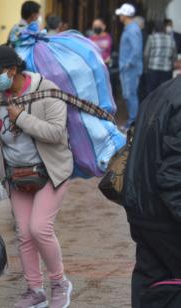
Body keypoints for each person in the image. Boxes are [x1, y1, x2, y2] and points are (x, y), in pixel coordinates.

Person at [0, 45, 74, 308]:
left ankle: (59, 283)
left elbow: (56, 133)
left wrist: (21, 119)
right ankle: (35, 290)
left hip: (51, 173)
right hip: (17, 176)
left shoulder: (47, 91)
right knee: (24, 234)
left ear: (12, 70)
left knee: (40, 228)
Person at [123, 77, 181, 308]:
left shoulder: (163, 91)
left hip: (142, 208)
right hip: (165, 215)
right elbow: (173, 174)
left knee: (149, 284)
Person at [116, 3, 143, 131]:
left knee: (130, 95)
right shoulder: (130, 28)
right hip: (128, 69)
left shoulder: (132, 29)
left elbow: (136, 50)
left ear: (125, 15)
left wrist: (127, 64)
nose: (119, 16)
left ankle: (133, 123)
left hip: (130, 70)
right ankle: (132, 122)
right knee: (129, 96)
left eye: (121, 14)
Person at [144, 20, 177, 95]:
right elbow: (174, 56)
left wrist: (146, 68)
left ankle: (151, 106)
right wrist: (171, 66)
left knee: (151, 92)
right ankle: (162, 107)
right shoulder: (171, 39)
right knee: (164, 92)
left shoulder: (151, 38)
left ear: (154, 29)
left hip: (153, 68)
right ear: (164, 28)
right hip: (166, 70)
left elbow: (146, 54)